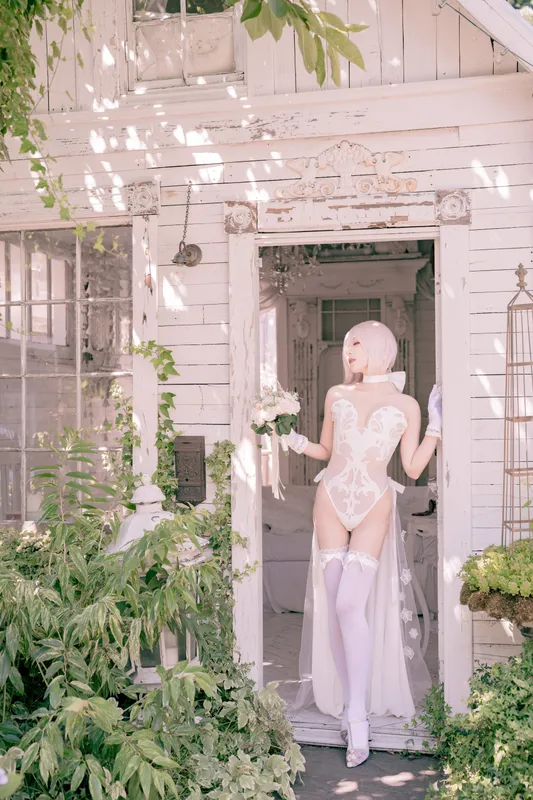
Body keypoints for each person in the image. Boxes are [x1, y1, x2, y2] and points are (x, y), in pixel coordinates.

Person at [282, 320, 442, 768]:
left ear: (378, 347)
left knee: (350, 604)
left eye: (356, 343)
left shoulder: (407, 404)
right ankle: (350, 706)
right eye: (347, 344)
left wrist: (436, 428)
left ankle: (357, 714)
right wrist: (293, 440)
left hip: (374, 503)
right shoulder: (337, 394)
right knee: (337, 608)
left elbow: (412, 469)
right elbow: (326, 450)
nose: (347, 350)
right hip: (331, 499)